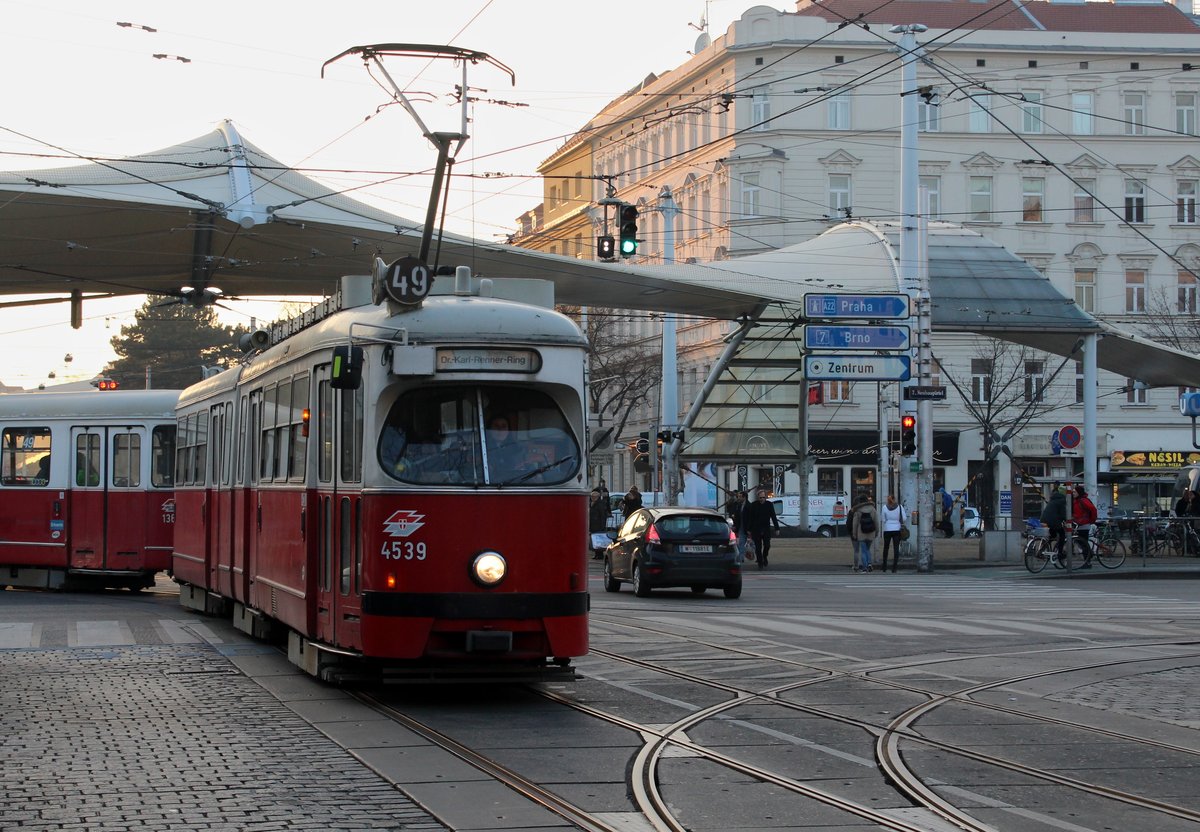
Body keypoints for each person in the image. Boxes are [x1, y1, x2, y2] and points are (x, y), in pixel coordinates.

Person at [744, 487, 779, 569]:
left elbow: (773, 516)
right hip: (756, 529)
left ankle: (764, 556)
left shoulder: (769, 505)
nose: (762, 499)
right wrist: (749, 529)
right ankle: (760, 562)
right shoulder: (754, 505)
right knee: (758, 547)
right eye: (760, 498)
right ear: (758, 497)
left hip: (766, 528)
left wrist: (777, 528)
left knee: (767, 545)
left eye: (764, 497)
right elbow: (750, 518)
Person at [851, 492, 879, 573]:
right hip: (871, 532)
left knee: (863, 550)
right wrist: (877, 532)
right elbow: (876, 522)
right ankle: (869, 563)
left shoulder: (858, 510)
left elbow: (855, 523)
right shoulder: (873, 509)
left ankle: (865, 567)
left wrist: (854, 534)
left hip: (861, 533)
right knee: (868, 549)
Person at [879, 494, 907, 573]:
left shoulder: (884, 507)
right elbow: (904, 518)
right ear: (895, 499)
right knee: (896, 548)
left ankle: (884, 566)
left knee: (886, 548)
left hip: (887, 529)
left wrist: (888, 522)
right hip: (897, 529)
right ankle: (894, 567)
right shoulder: (900, 507)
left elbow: (883, 519)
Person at [1041, 485, 1068, 564]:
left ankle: (1044, 548)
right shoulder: (1062, 500)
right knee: (1062, 534)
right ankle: (1060, 553)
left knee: (1052, 535)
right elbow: (1063, 513)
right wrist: (1067, 520)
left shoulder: (1053, 498)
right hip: (1053, 521)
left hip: (1045, 519)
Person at [1072, 485, 1098, 568]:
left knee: (1083, 543)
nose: (1073, 493)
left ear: (1079, 492)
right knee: (1081, 542)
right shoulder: (1076, 501)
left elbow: (1093, 509)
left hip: (1084, 524)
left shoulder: (1083, 500)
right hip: (1079, 524)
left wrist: (1092, 521)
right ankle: (1088, 556)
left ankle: (1087, 561)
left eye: (1075, 492)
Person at [726, 491, 750, 563]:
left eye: (740, 496)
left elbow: (750, 518)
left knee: (750, 543)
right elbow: (737, 517)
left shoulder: (749, 506)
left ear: (744, 497)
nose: (738, 498)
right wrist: (735, 525)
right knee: (741, 543)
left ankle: (748, 555)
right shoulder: (738, 505)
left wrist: (750, 528)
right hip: (741, 527)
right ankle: (741, 558)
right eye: (738, 496)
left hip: (747, 527)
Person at [589, 489, 610, 559]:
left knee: (599, 540)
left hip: (598, 524)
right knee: (595, 540)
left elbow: (602, 515)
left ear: (597, 497)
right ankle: (596, 554)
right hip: (593, 524)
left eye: (594, 497)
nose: (592, 498)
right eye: (591, 496)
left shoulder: (600, 504)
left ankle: (600, 554)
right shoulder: (591, 503)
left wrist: (602, 525)